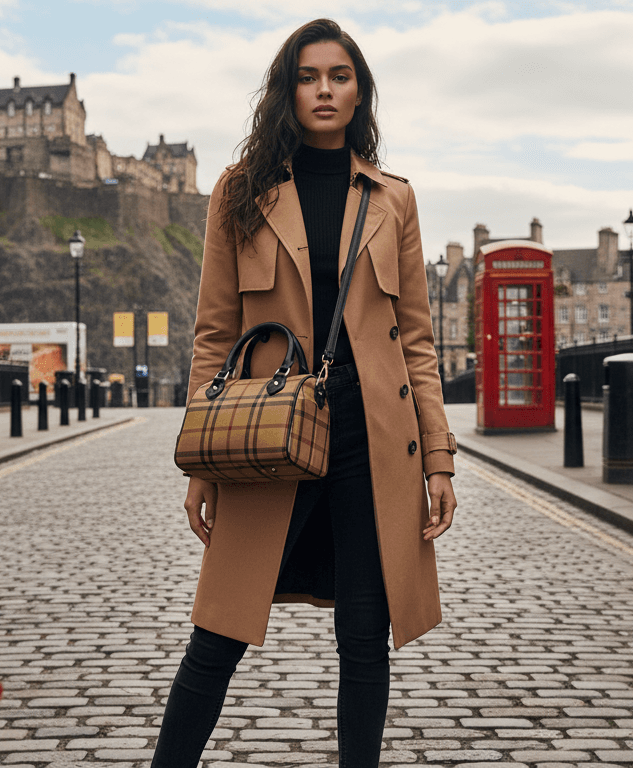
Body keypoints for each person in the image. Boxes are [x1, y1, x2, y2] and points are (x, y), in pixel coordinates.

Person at [152, 18, 458, 768]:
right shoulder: (241, 191)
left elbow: (417, 342)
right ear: (286, 92)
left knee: (365, 636)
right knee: (217, 633)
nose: (324, 90)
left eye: (339, 76)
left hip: (370, 435)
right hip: (268, 430)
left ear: (359, 93)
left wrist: (439, 460)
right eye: (308, 76)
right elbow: (214, 335)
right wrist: (199, 466)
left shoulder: (393, 199)